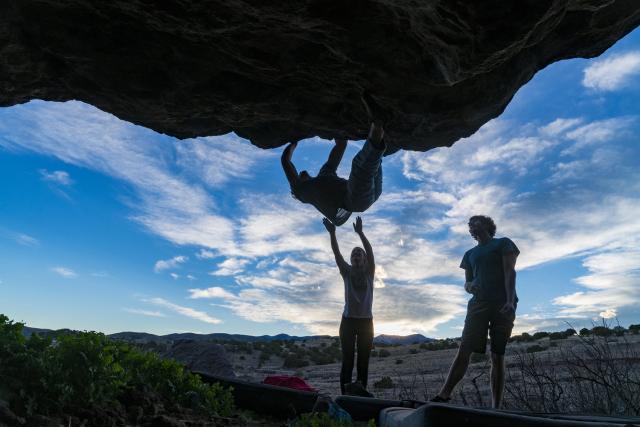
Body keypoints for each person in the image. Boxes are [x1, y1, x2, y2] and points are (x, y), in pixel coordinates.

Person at [432, 215, 519, 409]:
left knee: (497, 355)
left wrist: (510, 301)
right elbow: (467, 282)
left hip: (502, 304)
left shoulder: (503, 244)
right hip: (478, 305)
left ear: (488, 225)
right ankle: (444, 394)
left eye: (476, 222)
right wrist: (470, 287)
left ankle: (496, 407)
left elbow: (510, 272)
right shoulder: (469, 254)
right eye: (470, 225)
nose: (472, 226)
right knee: (465, 348)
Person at [281, 95, 397, 226]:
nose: (301, 172)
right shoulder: (300, 191)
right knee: (361, 167)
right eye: (298, 175)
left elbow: (341, 145)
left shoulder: (325, 173)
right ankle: (377, 122)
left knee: (374, 160)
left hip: (370, 193)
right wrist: (295, 142)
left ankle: (384, 134)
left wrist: (335, 128)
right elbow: (286, 161)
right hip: (354, 201)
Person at [323, 215, 375, 395]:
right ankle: (345, 396)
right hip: (348, 322)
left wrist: (361, 233)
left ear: (365, 259)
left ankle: (360, 396)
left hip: (366, 323)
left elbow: (369, 249)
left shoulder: (370, 272)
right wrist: (332, 233)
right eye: (354, 253)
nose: (356, 254)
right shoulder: (346, 271)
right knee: (347, 361)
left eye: (359, 253)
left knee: (363, 362)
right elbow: (337, 254)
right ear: (351, 259)